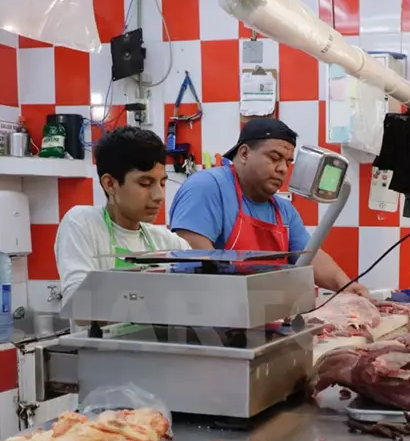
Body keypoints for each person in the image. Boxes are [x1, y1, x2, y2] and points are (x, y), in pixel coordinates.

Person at [168, 118, 367, 295]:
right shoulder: (207, 187)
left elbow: (310, 256)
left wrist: (345, 285)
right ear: (244, 154)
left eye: (288, 162)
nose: (283, 169)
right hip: (217, 312)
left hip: (267, 312)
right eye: (274, 158)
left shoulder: (283, 210)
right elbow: (197, 260)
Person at [55, 126, 190, 306]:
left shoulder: (168, 243)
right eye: (145, 184)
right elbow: (80, 305)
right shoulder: (82, 223)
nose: (159, 196)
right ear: (110, 184)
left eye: (162, 183)